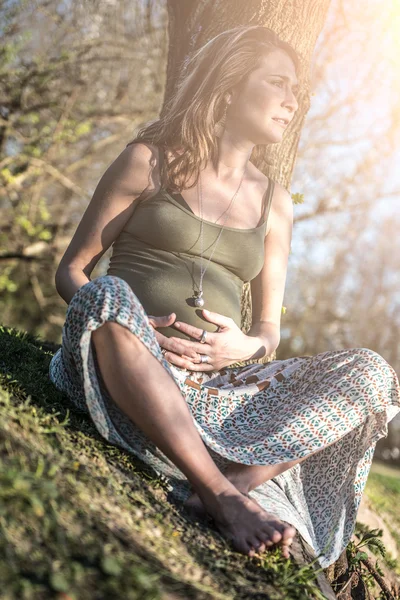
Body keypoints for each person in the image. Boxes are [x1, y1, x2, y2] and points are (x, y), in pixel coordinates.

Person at [49, 25, 400, 566]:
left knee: (372, 372)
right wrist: (140, 331)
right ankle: (221, 496)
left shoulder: (275, 203)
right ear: (231, 86)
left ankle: (230, 479)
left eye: (297, 93)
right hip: (126, 371)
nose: (292, 102)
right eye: (278, 84)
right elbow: (72, 271)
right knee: (107, 294)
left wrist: (246, 348)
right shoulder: (148, 161)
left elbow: (268, 331)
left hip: (218, 392)